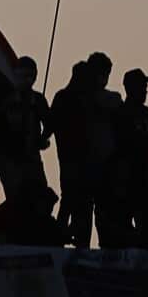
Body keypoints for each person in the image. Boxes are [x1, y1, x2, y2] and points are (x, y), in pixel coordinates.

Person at [103, 68, 148, 248]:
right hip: (125, 178)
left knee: (147, 226)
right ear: (130, 88)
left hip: (145, 178)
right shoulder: (119, 114)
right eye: (141, 86)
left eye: (145, 87)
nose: (145, 91)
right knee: (122, 225)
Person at [0, 56, 52, 223]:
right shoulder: (5, 98)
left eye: (30, 76)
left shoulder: (38, 100)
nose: (27, 80)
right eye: (23, 75)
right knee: (15, 199)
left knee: (40, 195)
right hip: (10, 159)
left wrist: (43, 138)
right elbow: (0, 126)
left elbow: (50, 124)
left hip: (32, 156)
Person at [52, 61, 96, 247]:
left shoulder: (66, 97)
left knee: (75, 199)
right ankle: (68, 237)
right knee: (74, 198)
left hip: (78, 158)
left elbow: (51, 123)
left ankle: (72, 238)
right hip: (73, 158)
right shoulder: (75, 99)